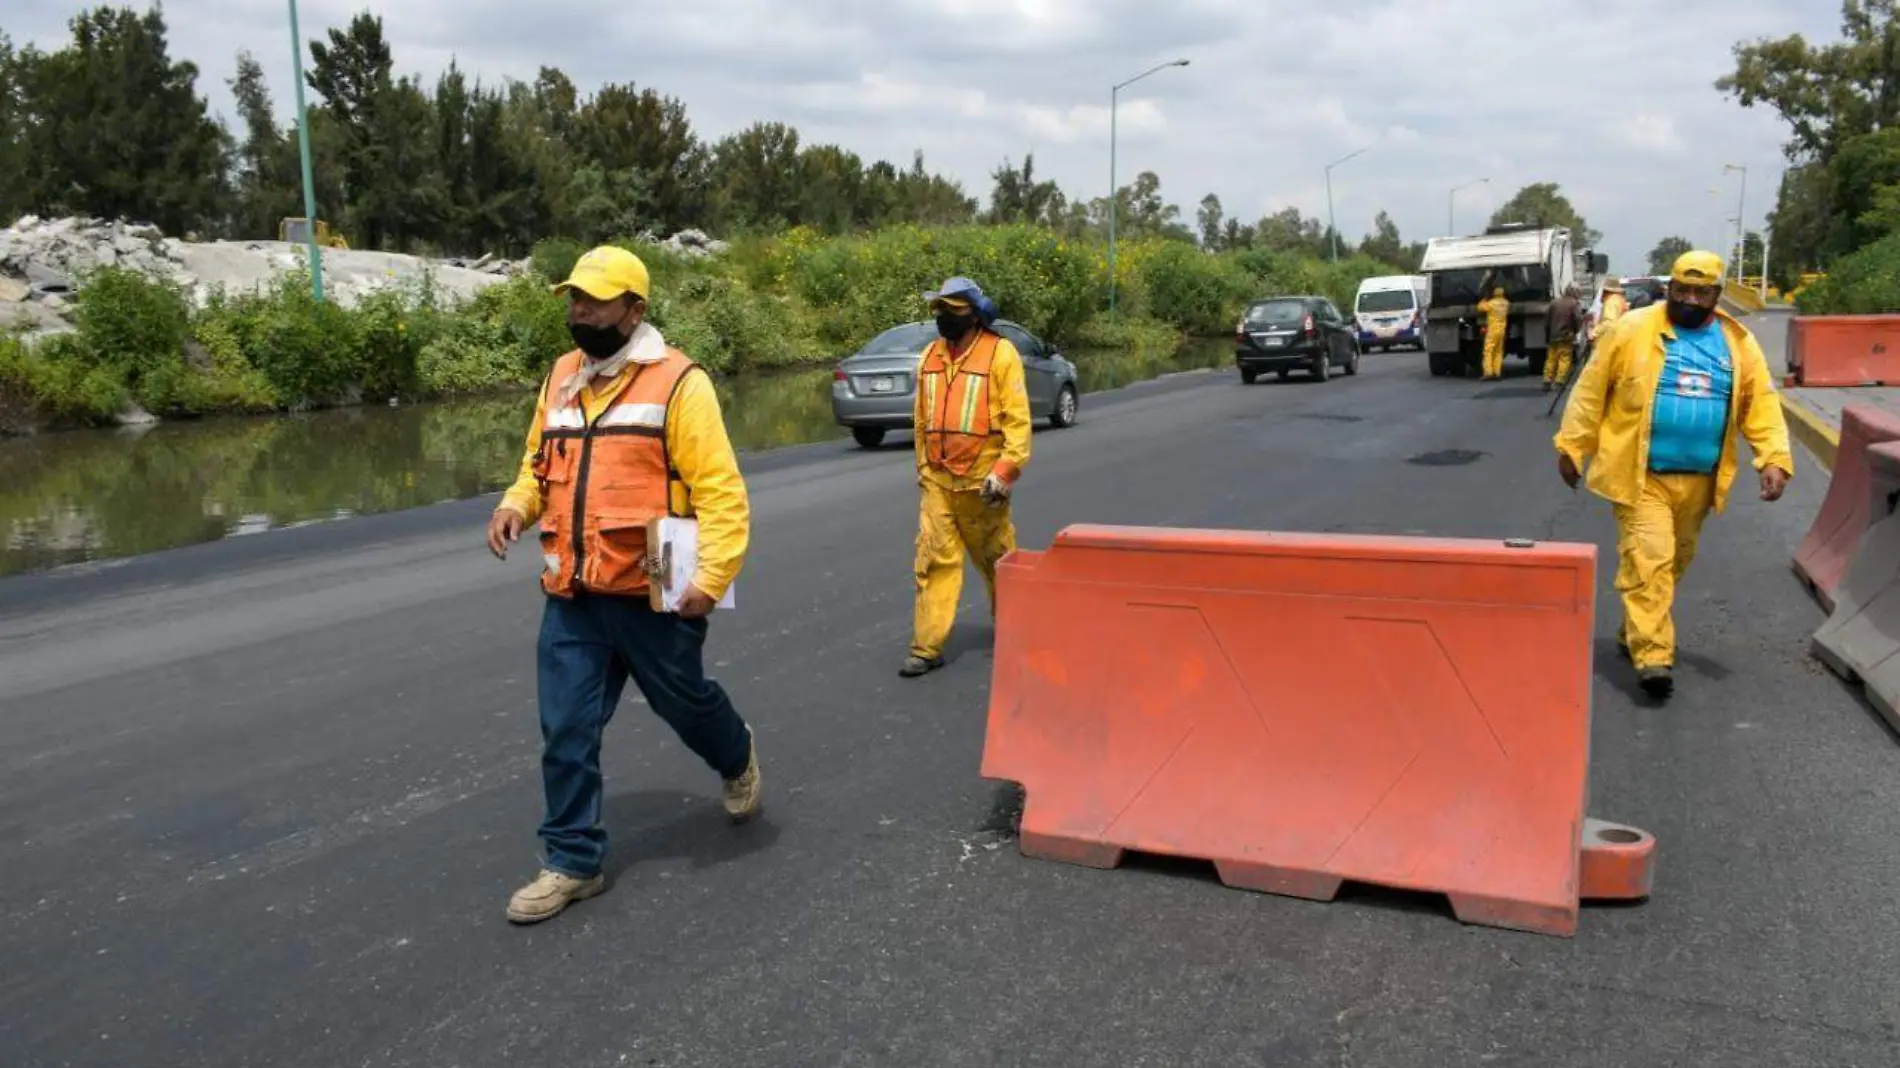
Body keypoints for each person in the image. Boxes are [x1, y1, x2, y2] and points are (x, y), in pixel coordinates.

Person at [486, 245, 761, 924]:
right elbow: (537, 461)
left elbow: (721, 492)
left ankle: (736, 754)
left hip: (654, 589)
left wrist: (714, 574)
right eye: (574, 299)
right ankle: (572, 862)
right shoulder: (560, 377)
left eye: (593, 301)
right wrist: (516, 505)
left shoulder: (678, 383)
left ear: (634, 309)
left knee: (685, 703)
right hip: (574, 590)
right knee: (566, 728)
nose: (578, 312)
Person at [1554, 250, 1793, 699]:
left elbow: (1759, 402)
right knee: (1652, 559)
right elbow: (1591, 389)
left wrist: (1773, 457)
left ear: (1717, 295)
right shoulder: (1632, 329)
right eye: (1681, 289)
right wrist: (1572, 445)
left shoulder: (1736, 343)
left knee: (1673, 563)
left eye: (1701, 292)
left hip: (1699, 480)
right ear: (1670, 288)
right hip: (1640, 474)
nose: (1689, 299)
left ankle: (1635, 629)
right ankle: (1653, 656)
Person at [901, 277, 1033, 678]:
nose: (944, 318)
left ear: (974, 315)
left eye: (953, 311)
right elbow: (921, 420)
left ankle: (1018, 631)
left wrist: (1004, 472)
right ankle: (927, 648)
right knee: (934, 561)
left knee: (998, 562)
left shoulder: (1000, 354)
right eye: (940, 310)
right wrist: (923, 469)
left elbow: (1018, 422)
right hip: (939, 482)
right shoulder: (930, 357)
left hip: (983, 484)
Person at [1543, 284, 1584, 393]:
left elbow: (1546, 321)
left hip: (1553, 336)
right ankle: (1559, 382)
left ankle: (1547, 380)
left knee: (1551, 359)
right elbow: (1578, 319)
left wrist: (1547, 335)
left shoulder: (1554, 303)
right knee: (1564, 359)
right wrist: (1575, 332)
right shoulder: (1574, 304)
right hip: (1566, 336)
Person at [1476, 285, 1510, 380]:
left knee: (1488, 351)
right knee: (1498, 352)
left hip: (1492, 330)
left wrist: (1484, 299)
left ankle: (1488, 373)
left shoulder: (1491, 303)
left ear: (1494, 294)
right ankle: (1497, 372)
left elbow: (1479, 308)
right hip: (1502, 330)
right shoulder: (1506, 303)